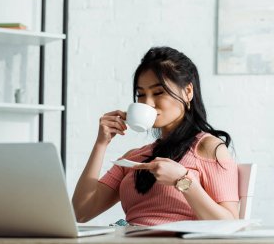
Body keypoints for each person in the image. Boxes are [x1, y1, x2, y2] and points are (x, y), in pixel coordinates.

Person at [72, 46, 239, 226]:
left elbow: (229, 224)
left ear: (188, 91)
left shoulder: (209, 148)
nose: (147, 103)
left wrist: (182, 180)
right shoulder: (133, 158)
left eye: (158, 92)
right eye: (141, 94)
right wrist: (101, 144)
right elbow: (80, 213)